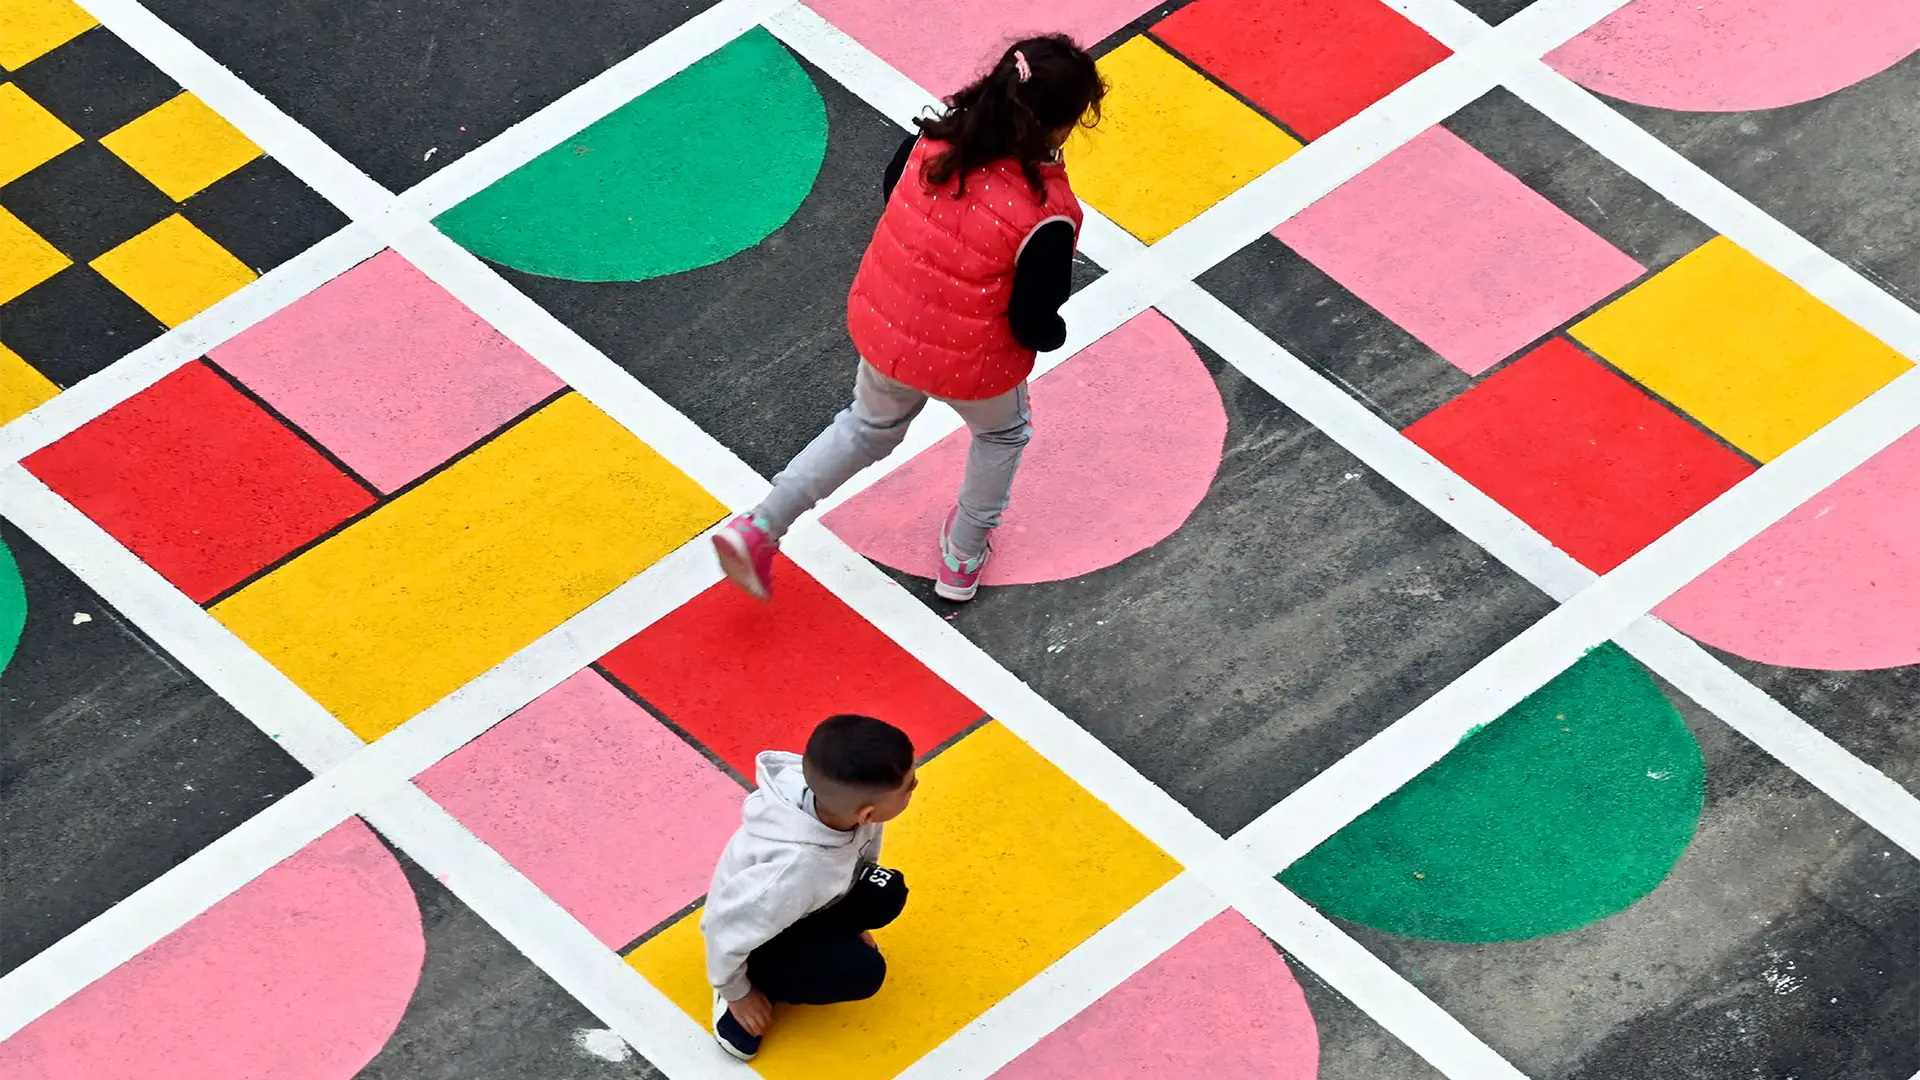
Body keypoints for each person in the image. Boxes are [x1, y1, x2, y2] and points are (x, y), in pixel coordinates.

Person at [714, 35, 1107, 603]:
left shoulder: (932, 142)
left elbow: (892, 194)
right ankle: (961, 556)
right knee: (1001, 433)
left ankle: (760, 527)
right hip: (972, 361)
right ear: (1066, 126)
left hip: (890, 329)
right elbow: (1032, 315)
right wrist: (1053, 334)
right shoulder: (1046, 213)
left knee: (865, 426)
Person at [702, 714, 919, 1060]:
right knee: (864, 974)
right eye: (910, 786)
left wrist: (852, 922)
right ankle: (760, 981)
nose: (915, 786)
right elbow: (723, 928)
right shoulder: (791, 870)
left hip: (809, 900)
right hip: (763, 927)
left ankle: (827, 936)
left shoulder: (844, 811)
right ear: (866, 813)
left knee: (885, 890)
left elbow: (861, 862)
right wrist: (736, 991)